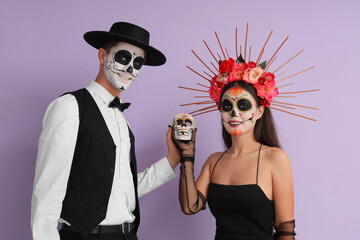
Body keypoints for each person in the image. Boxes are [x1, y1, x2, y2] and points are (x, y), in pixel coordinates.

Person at [31, 22, 180, 240]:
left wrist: (172, 160)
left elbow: (117, 190)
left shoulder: (122, 121)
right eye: (123, 58)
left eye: (138, 63)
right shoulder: (70, 107)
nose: (130, 69)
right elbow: (46, 194)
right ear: (102, 56)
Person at [173, 55, 297, 239]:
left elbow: (285, 230)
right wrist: (186, 155)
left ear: (259, 112)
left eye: (243, 105)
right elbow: (190, 206)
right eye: (227, 105)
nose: (234, 113)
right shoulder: (214, 161)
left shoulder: (275, 158)